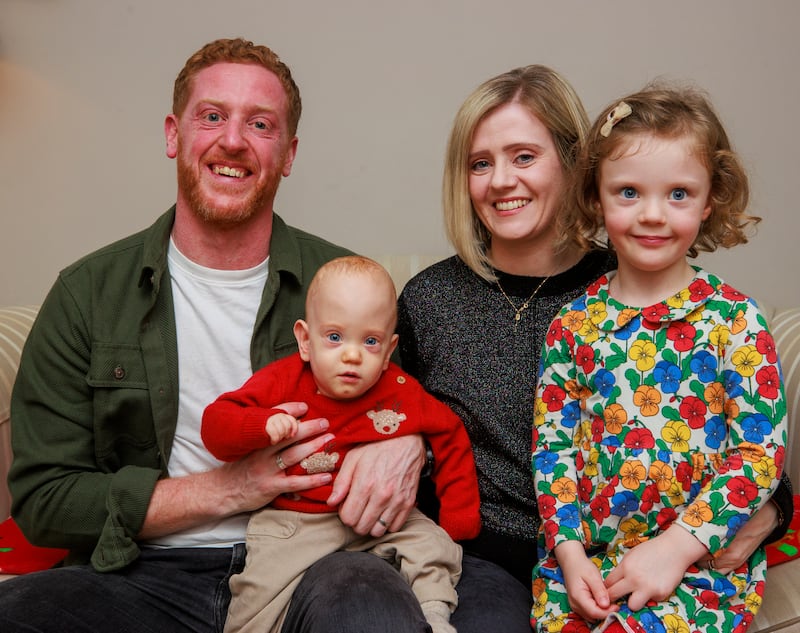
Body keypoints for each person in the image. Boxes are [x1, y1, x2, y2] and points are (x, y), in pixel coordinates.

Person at [0, 38, 431, 633]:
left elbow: (406, 412)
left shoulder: (349, 288)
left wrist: (410, 445)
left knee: (372, 610)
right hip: (143, 571)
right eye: (212, 117)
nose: (233, 140)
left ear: (288, 153)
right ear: (175, 135)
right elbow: (45, 498)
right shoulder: (87, 294)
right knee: (21, 614)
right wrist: (228, 489)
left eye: (260, 124)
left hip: (317, 559)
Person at [386, 66, 793, 633]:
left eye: (524, 156)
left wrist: (750, 518)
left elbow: (752, 450)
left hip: (670, 559)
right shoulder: (442, 301)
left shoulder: (664, 282)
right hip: (508, 562)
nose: (502, 180)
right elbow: (387, 413)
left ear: (576, 168)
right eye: (481, 163)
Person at [531, 85, 787, 633]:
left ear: (709, 198)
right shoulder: (571, 326)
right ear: (596, 197)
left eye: (678, 194)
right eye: (628, 192)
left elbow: (760, 454)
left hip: (698, 564)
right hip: (588, 564)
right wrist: (570, 555)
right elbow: (553, 451)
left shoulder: (734, 320)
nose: (652, 215)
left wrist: (675, 549)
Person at [202, 255, 480, 633]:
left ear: (388, 351)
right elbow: (215, 425)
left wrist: (458, 518)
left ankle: (433, 616)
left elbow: (450, 434)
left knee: (435, 548)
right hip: (296, 522)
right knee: (256, 595)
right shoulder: (283, 381)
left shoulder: (400, 391)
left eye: (370, 341)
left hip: (382, 521)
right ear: (305, 339)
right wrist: (262, 425)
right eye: (334, 337)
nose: (351, 355)